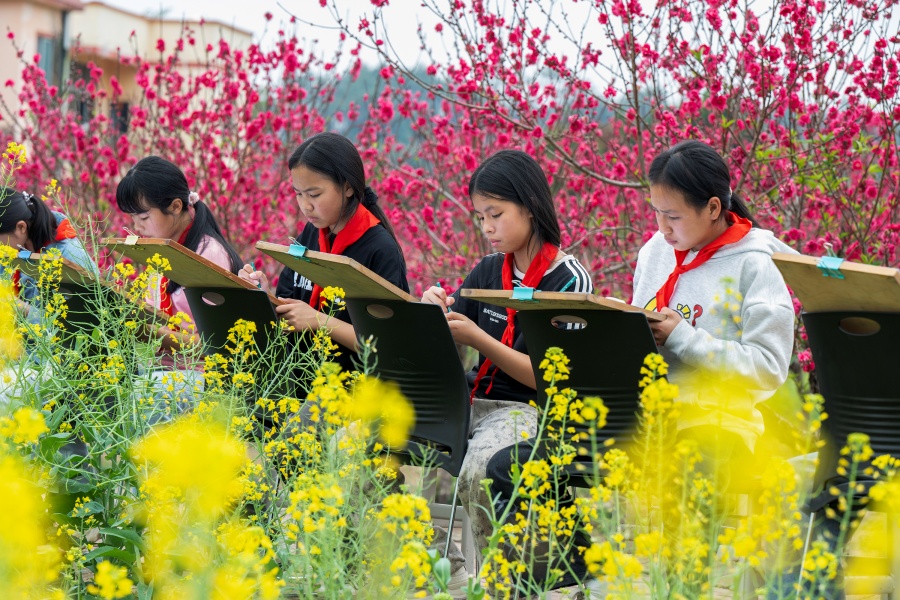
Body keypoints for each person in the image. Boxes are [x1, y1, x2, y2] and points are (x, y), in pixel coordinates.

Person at [486, 139, 797, 596]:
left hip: (713, 425)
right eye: (656, 213)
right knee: (508, 467)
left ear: (713, 208)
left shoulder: (759, 265)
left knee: (688, 481)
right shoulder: (655, 251)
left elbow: (770, 369)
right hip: (638, 419)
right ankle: (575, 565)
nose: (662, 228)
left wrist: (684, 338)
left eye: (673, 216)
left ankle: (679, 587)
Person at [420, 149, 593, 591]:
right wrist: (433, 312)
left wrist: (479, 339)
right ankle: (447, 566)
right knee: (364, 441)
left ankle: (501, 586)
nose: (487, 229)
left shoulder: (568, 280)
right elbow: (448, 337)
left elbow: (549, 377)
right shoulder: (488, 270)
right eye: (480, 218)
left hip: (530, 411)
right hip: (472, 402)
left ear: (530, 207)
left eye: (495, 214)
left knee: (480, 471)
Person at [239, 132, 409, 376]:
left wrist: (321, 321)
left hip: (351, 390)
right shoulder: (312, 232)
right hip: (298, 379)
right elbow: (292, 309)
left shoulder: (379, 249)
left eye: (314, 194)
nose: (306, 205)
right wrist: (263, 295)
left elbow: (388, 345)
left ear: (348, 187)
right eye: (298, 194)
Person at [116, 156, 244, 422]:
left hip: (204, 377)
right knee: (99, 384)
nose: (137, 226)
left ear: (175, 206)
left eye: (142, 216)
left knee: (136, 398)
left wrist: (153, 333)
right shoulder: (163, 247)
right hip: (165, 371)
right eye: (132, 217)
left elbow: (216, 347)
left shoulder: (208, 256)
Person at [0, 186, 97, 305]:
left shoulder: (69, 255)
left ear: (21, 227)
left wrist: (20, 309)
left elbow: (80, 318)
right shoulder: (15, 249)